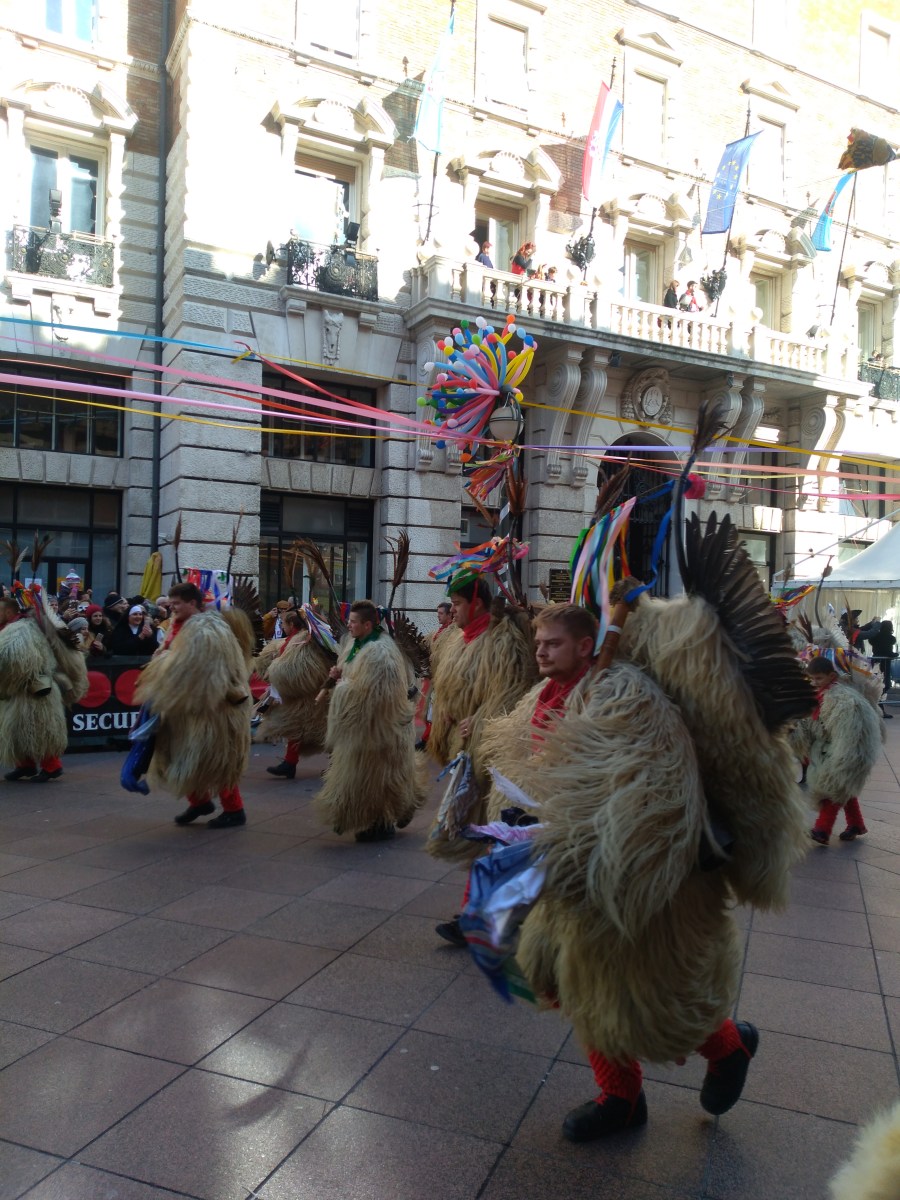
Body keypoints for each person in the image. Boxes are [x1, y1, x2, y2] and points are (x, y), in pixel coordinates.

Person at [472, 519, 813, 1143]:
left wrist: (582, 847)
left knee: (655, 994)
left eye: (552, 643)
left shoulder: (627, 697)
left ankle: (728, 1046)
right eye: (538, 642)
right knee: (572, 982)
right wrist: (518, 823)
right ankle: (622, 1098)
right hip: (561, 870)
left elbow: (655, 794)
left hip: (638, 879)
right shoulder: (544, 698)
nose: (540, 652)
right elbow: (526, 768)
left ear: (586, 645)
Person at [427, 573, 537, 942]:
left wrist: (479, 721)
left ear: (476, 602)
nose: (453, 611)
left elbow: (509, 693)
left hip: (492, 754)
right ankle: (483, 912)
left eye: (458, 604)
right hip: (465, 752)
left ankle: (475, 914)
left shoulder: (503, 641)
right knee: (484, 833)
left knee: (492, 832)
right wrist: (446, 715)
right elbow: (449, 689)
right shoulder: (456, 640)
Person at [134, 581, 254, 827]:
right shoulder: (177, 625)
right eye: (171, 603)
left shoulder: (209, 628)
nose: (172, 607)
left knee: (218, 759)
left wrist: (165, 662)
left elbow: (201, 667)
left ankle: (235, 810)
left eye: (177, 603)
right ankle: (199, 802)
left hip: (214, 709)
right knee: (181, 756)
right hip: (185, 707)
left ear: (192, 603)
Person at [314, 598, 424, 841]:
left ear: (367, 625)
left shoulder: (380, 653)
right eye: (349, 621)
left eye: (353, 622)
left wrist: (342, 688)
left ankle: (382, 823)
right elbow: (355, 675)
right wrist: (339, 672)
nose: (348, 625)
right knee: (365, 777)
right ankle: (375, 818)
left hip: (381, 729)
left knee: (380, 778)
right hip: (364, 729)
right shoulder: (357, 644)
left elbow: (374, 695)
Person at [0, 591, 88, 783]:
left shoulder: (21, 629)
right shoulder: (15, 627)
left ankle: (52, 767)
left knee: (40, 729)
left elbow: (11, 657)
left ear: (8, 612)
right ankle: (25, 765)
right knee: (17, 731)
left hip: (35, 691)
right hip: (18, 692)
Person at [799, 656, 883, 845]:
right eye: (811, 679)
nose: (814, 682)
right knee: (844, 787)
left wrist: (844, 757)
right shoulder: (820, 695)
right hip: (826, 750)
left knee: (834, 788)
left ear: (831, 676)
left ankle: (822, 830)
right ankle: (856, 824)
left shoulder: (843, 700)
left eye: (818, 678)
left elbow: (849, 732)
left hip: (842, 751)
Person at [257, 608, 334, 780]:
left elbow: (297, 669)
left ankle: (336, 766)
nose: (282, 627)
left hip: (313, 698)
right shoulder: (295, 640)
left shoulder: (305, 641)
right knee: (296, 729)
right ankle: (289, 764)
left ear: (292, 624)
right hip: (302, 699)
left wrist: (274, 671)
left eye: (284, 624)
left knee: (326, 732)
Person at [868, 619, 896, 701]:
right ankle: (880, 700)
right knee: (885, 682)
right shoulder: (891, 638)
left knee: (874, 681)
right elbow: (887, 651)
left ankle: (876, 700)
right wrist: (894, 654)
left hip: (875, 661)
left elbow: (871, 641)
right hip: (885, 662)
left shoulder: (875, 637)